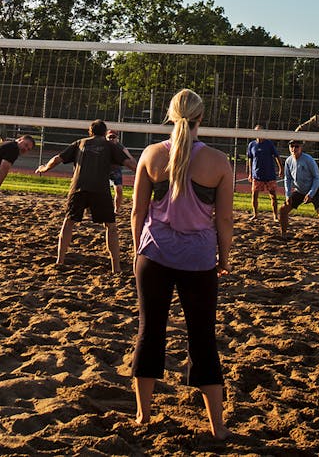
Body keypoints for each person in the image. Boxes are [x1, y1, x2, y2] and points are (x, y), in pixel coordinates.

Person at [129, 89, 233, 441]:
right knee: (203, 339)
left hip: (154, 255)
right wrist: (225, 257)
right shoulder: (219, 162)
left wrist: (135, 252)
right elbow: (225, 221)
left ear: (170, 116)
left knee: (150, 331)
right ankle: (218, 428)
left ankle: (143, 417)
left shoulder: (151, 154)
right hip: (199, 260)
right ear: (201, 118)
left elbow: (137, 212)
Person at [35, 120, 137, 274]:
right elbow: (130, 163)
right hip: (100, 189)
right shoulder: (111, 146)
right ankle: (116, 267)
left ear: (90, 132)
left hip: (78, 188)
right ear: (104, 132)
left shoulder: (80, 143)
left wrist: (45, 168)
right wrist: (148, 174)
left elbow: (57, 159)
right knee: (111, 226)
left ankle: (60, 260)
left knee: (69, 222)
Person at [278, 139, 319, 248]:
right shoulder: (289, 161)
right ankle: (283, 234)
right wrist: (287, 194)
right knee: (283, 209)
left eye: (296, 146)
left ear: (301, 148)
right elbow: (287, 178)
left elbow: (316, 178)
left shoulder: (308, 160)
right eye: (292, 146)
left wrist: (311, 193)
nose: (294, 149)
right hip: (299, 191)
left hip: (314, 189)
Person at [245, 124, 283, 222]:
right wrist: (250, 173)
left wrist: (281, 168)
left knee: (273, 196)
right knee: (254, 195)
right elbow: (250, 159)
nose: (258, 133)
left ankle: (275, 216)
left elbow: (276, 156)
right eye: (256, 131)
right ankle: (255, 214)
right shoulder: (252, 145)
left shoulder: (269, 144)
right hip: (256, 175)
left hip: (269, 174)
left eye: (260, 131)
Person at [106, 128, 131, 214]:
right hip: (103, 170)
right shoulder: (103, 146)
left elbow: (129, 156)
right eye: (110, 137)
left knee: (119, 189)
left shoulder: (120, 147)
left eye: (114, 137)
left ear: (117, 138)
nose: (111, 139)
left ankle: (116, 209)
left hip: (115, 170)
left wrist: (136, 167)